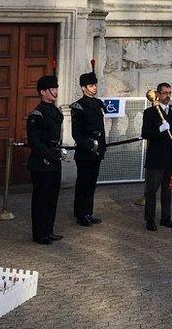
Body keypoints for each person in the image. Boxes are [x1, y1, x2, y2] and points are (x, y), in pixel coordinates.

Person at [26, 73, 65, 245]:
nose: (55, 92)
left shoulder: (55, 111)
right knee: (41, 199)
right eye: (52, 89)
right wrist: (50, 154)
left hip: (54, 161)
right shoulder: (37, 114)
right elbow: (34, 142)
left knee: (52, 198)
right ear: (43, 92)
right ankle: (39, 233)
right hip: (41, 163)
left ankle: (49, 230)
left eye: (56, 88)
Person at [141, 82, 172, 231]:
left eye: (169, 93)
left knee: (167, 191)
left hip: (171, 158)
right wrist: (159, 129)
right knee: (152, 191)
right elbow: (145, 134)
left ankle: (166, 218)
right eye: (165, 93)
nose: (167, 96)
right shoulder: (150, 113)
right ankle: (150, 220)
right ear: (158, 94)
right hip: (156, 159)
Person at [70, 64, 107, 227]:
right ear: (83, 88)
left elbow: (101, 129)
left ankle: (88, 212)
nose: (94, 88)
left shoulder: (98, 103)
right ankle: (80, 213)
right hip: (85, 152)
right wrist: (89, 146)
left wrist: (101, 147)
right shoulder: (78, 106)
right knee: (83, 183)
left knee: (92, 183)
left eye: (95, 84)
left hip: (97, 150)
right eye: (91, 85)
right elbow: (76, 133)